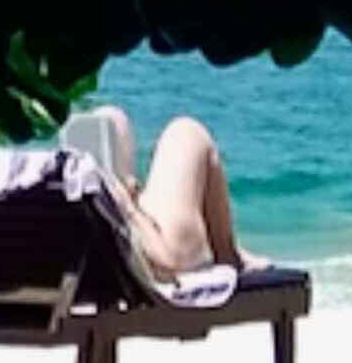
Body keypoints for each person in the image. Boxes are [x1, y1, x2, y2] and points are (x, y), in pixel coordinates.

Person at [66, 105, 254, 288]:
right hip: (146, 260)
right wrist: (128, 209)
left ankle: (125, 196)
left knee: (108, 118)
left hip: (86, 259)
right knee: (185, 132)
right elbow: (166, 266)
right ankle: (229, 256)